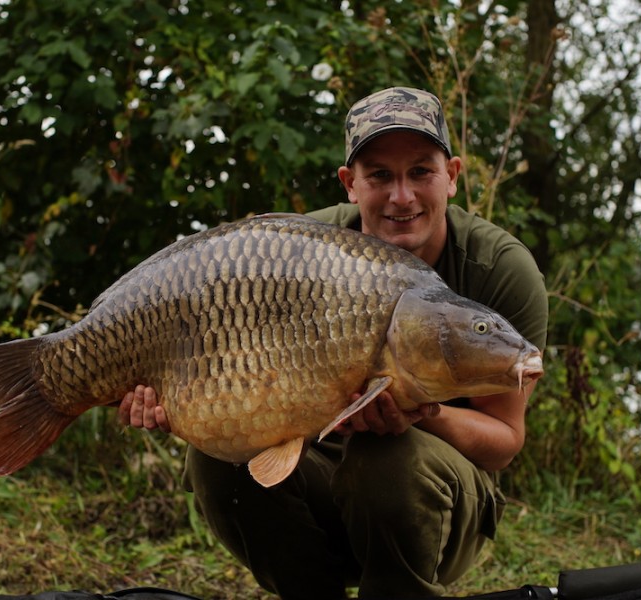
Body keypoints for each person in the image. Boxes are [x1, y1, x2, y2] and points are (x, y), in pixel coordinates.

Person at [118, 87, 549, 599]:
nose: (402, 196)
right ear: (350, 184)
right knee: (218, 462)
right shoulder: (301, 249)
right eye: (380, 175)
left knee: (387, 459)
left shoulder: (500, 268)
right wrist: (181, 398)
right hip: (318, 479)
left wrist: (424, 414)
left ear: (452, 175)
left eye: (420, 172)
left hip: (439, 506)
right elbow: (205, 316)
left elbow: (505, 442)